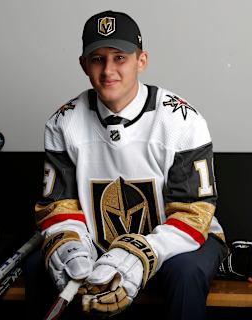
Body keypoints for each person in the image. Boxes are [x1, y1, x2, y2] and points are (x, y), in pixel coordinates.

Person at [26, 10, 227, 320]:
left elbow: (193, 214)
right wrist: (70, 244)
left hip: (183, 239)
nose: (108, 70)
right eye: (97, 59)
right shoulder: (63, 122)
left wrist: (139, 254)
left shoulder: (181, 120)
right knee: (43, 267)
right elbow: (59, 207)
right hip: (97, 240)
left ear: (141, 60)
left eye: (120, 58)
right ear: (84, 65)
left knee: (185, 274)